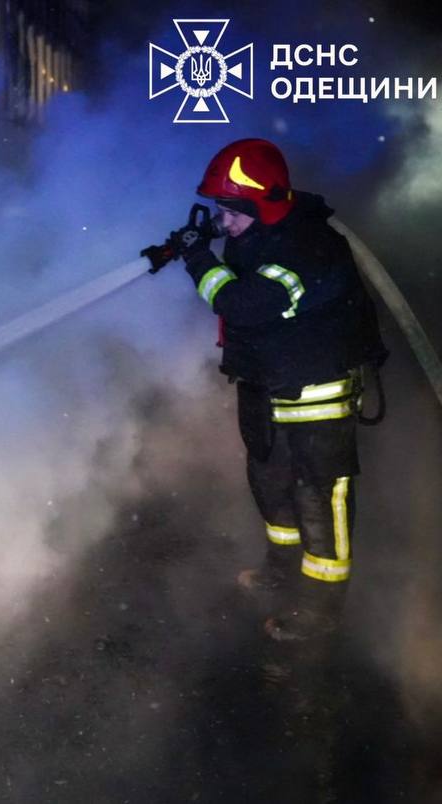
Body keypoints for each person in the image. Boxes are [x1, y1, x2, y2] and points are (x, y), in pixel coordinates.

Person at [178, 138, 386, 641]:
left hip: (316, 387)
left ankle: (321, 606)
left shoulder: (308, 246)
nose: (224, 223)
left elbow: (242, 304)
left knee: (319, 493)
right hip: (266, 382)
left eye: (231, 213)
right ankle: (282, 567)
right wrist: (199, 244)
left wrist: (198, 258)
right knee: (268, 478)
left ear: (263, 205)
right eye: (220, 211)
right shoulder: (258, 233)